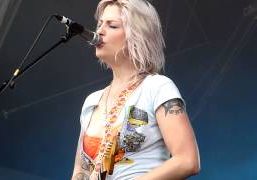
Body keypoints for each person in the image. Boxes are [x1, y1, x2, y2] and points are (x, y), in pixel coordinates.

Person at [72, 0, 200, 179]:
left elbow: (187, 160)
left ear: (137, 35)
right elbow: (81, 171)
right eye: (100, 24)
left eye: (113, 25)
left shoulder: (157, 87)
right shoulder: (92, 101)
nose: (99, 31)